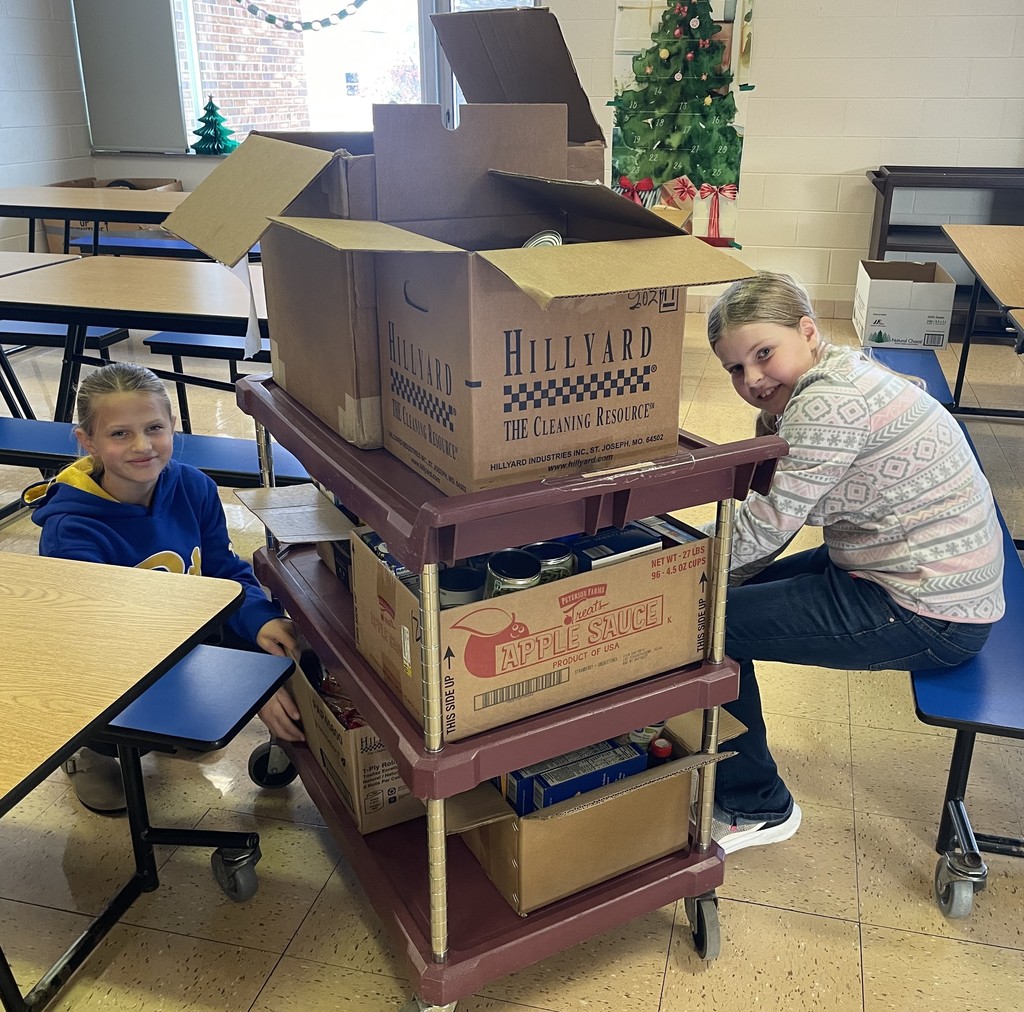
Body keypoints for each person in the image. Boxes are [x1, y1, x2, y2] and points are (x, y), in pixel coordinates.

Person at [703, 271, 1005, 854]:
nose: (753, 379)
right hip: (906, 571)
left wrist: (679, 587)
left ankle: (757, 804)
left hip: (930, 611)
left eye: (764, 354)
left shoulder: (831, 403)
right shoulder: (842, 370)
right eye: (736, 369)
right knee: (719, 596)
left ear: (807, 330)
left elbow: (765, 527)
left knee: (710, 625)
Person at [25, 362, 304, 814]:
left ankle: (184, 714)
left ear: (172, 426)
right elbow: (101, 644)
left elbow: (221, 569)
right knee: (122, 730)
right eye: (119, 434)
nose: (142, 446)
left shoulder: (193, 486)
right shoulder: (72, 531)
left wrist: (260, 626)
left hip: (181, 639)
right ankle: (88, 751)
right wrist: (237, 684)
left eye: (154, 427)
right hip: (115, 659)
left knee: (269, 634)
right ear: (87, 441)